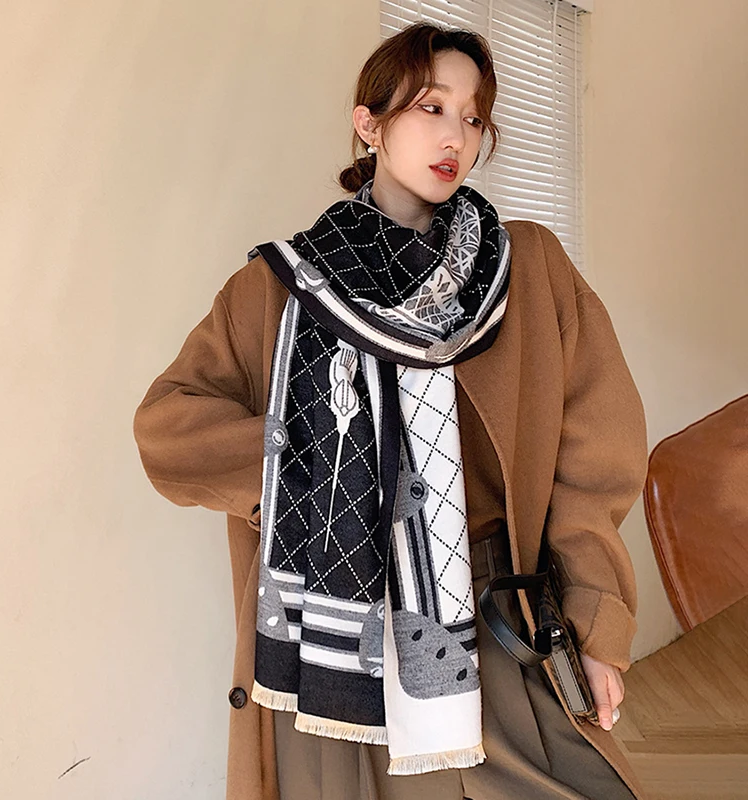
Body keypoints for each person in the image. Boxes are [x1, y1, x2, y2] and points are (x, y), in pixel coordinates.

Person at [133, 21, 649, 800]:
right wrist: (319, 471)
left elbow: (594, 465)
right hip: (332, 644)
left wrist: (597, 623)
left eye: (473, 117)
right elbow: (168, 428)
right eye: (431, 108)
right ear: (368, 123)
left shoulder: (529, 269)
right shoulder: (281, 287)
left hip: (496, 620)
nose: (457, 136)